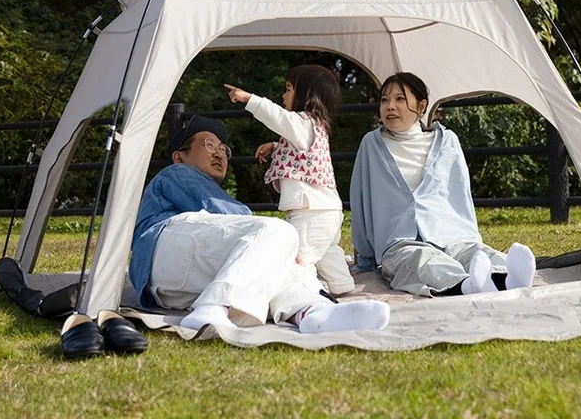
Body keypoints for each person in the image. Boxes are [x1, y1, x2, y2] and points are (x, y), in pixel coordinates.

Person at [129, 114, 389, 333]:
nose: (220, 152)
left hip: (177, 287)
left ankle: (311, 312)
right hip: (161, 249)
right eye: (209, 144)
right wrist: (281, 247)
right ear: (179, 156)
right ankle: (214, 308)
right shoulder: (176, 173)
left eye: (224, 148)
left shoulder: (206, 211)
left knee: (261, 259)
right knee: (276, 231)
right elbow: (235, 216)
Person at [350, 72, 537, 297]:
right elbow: (360, 201)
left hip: (450, 233)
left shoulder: (447, 141)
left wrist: (471, 235)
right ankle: (468, 285)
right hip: (400, 242)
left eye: (400, 99)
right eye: (384, 100)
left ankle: (507, 277)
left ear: (421, 106)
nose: (390, 106)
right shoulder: (371, 144)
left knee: (476, 253)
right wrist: (365, 259)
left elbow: (461, 195)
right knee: (421, 261)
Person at [224, 64, 355, 295]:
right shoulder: (314, 126)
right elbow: (302, 154)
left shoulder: (302, 122)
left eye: (288, 89)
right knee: (327, 253)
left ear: (306, 94)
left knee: (297, 258)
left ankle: (305, 295)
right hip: (326, 209)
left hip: (311, 212)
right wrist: (276, 147)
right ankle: (343, 286)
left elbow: (277, 117)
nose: (284, 95)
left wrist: (249, 99)